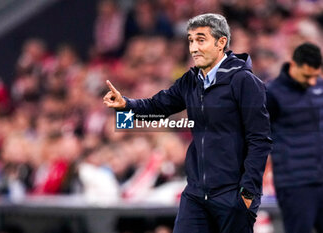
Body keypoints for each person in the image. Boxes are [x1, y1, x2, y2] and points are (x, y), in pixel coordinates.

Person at [104, 13, 272, 233]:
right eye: (191, 40)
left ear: (221, 42)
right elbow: (157, 106)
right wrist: (126, 104)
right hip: (196, 193)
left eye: (201, 40)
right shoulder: (190, 81)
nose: (193, 48)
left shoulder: (244, 82)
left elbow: (259, 139)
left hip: (232, 194)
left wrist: (248, 193)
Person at [266, 42, 323, 233]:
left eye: (316, 76)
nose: (312, 82)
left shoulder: (320, 88)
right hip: (295, 183)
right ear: (293, 65)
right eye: (307, 76)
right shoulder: (272, 94)